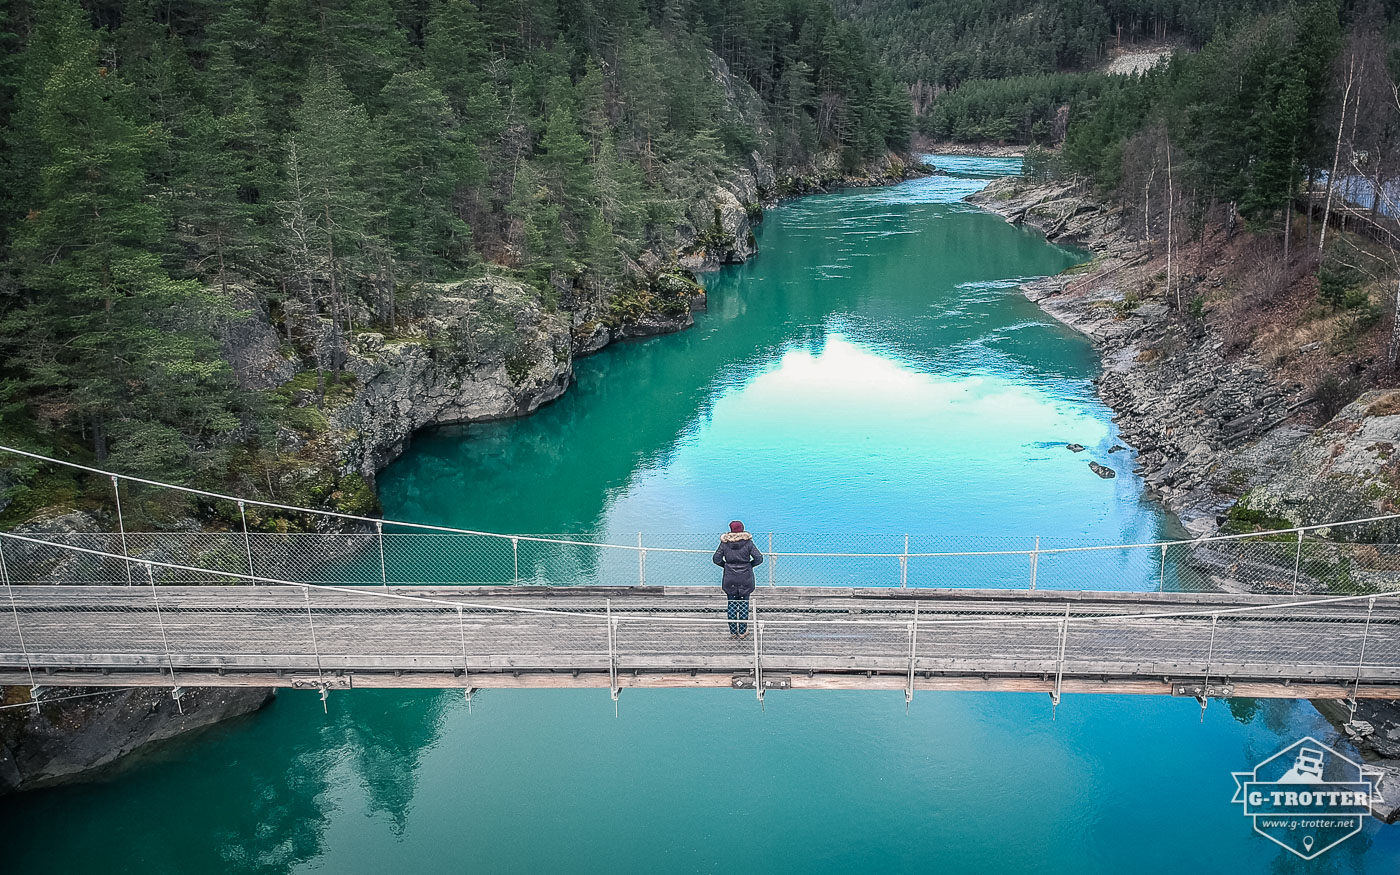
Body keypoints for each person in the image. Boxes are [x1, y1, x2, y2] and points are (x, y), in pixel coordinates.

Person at [713, 521, 763, 638]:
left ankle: (733, 632)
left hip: (729, 578)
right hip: (745, 577)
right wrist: (749, 565)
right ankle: (742, 631)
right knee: (744, 604)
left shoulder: (724, 543)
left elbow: (716, 559)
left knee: (731, 604)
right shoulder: (748, 543)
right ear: (742, 529)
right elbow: (759, 558)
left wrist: (726, 565)